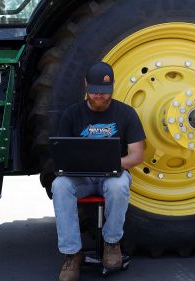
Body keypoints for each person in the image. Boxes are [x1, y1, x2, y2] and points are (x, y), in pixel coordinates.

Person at [52, 62, 146, 281]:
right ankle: (71, 254)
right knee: (60, 185)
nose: (99, 97)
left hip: (112, 175)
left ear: (112, 86)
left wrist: (111, 163)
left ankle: (111, 244)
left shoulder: (126, 114)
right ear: (85, 85)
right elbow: (62, 152)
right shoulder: (72, 115)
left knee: (119, 185)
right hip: (81, 179)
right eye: (94, 92)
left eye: (104, 93)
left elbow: (137, 155)